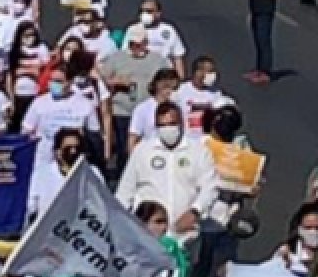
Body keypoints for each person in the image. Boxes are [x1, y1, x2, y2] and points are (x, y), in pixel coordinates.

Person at [117, 102, 218, 237]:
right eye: (162, 125)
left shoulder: (198, 151)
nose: (167, 129)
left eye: (171, 123)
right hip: (148, 234)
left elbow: (210, 187)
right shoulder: (142, 150)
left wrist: (195, 211)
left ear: (181, 123)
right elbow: (125, 191)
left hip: (185, 234)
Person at [98, 26, 169, 172]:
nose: (137, 47)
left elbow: (169, 80)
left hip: (147, 112)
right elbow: (101, 78)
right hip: (122, 112)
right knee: (124, 150)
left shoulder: (158, 60)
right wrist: (115, 81)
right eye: (133, 44)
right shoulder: (117, 58)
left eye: (140, 43)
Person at [20, 66, 100, 167]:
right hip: (43, 162)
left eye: (58, 81)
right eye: (52, 80)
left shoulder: (85, 104)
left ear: (70, 82)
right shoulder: (39, 103)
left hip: (74, 162)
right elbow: (26, 132)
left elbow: (94, 135)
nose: (53, 84)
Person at [125, 0, 186, 77]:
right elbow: (125, 55)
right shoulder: (133, 29)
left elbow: (177, 57)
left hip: (164, 75)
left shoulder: (169, 30)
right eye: (142, 11)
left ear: (158, 13)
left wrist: (180, 81)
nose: (145, 14)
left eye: (149, 11)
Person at [245, 0, 279, 84]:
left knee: (264, 40)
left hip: (265, 11)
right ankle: (258, 69)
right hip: (256, 11)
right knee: (258, 40)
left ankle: (266, 71)